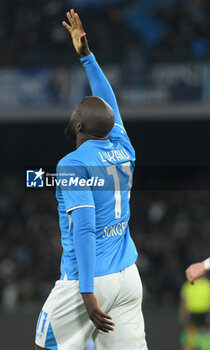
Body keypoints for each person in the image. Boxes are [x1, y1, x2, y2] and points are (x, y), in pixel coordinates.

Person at [35, 9, 148, 350]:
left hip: (88, 280)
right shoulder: (123, 146)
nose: (72, 113)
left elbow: (83, 228)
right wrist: (87, 57)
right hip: (128, 277)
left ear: (79, 125)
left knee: (45, 345)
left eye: (76, 111)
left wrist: (86, 292)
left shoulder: (72, 165)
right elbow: (107, 102)